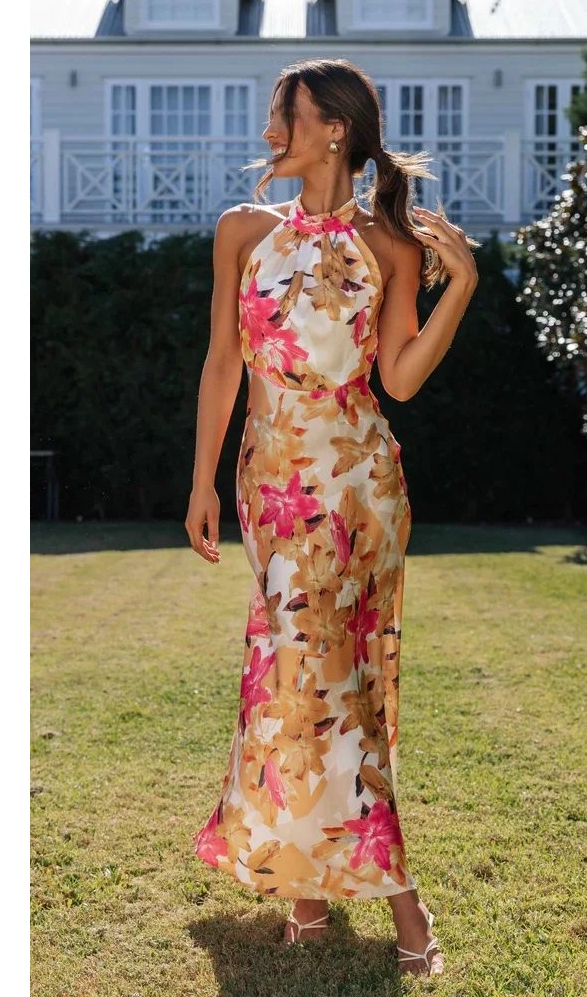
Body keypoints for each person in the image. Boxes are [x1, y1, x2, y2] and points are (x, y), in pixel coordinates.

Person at [186, 58, 478, 978]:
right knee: (297, 675)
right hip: (270, 482)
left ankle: (400, 905)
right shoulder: (242, 230)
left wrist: (459, 288)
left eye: (288, 115)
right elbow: (223, 364)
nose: (270, 131)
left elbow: (400, 379)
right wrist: (202, 482)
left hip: (357, 484)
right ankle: (306, 891)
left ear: (335, 131)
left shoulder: (390, 247)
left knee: (329, 681)